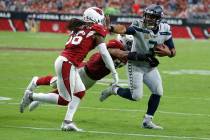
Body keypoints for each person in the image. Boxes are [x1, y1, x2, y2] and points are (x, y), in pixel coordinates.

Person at [19, 7, 119, 131]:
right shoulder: (95, 30)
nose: (102, 21)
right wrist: (114, 72)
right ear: (95, 19)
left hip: (67, 62)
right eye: (101, 19)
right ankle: (32, 96)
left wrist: (103, 29)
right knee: (64, 99)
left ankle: (67, 122)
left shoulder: (81, 28)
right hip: (67, 63)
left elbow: (93, 34)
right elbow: (104, 53)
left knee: (80, 91)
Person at [22, 35, 143, 131]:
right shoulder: (116, 44)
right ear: (122, 41)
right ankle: (36, 82)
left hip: (92, 78)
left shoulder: (127, 56)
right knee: (57, 83)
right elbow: (112, 51)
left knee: (72, 92)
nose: (131, 47)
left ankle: (49, 107)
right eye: (129, 44)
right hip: (84, 70)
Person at [100, 4, 176, 129]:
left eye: (152, 17)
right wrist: (111, 28)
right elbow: (124, 30)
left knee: (158, 91)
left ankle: (147, 121)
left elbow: (173, 50)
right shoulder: (138, 25)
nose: (148, 19)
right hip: (135, 64)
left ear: (159, 18)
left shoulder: (165, 28)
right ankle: (114, 89)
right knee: (136, 96)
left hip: (150, 65)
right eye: (147, 16)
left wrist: (169, 53)